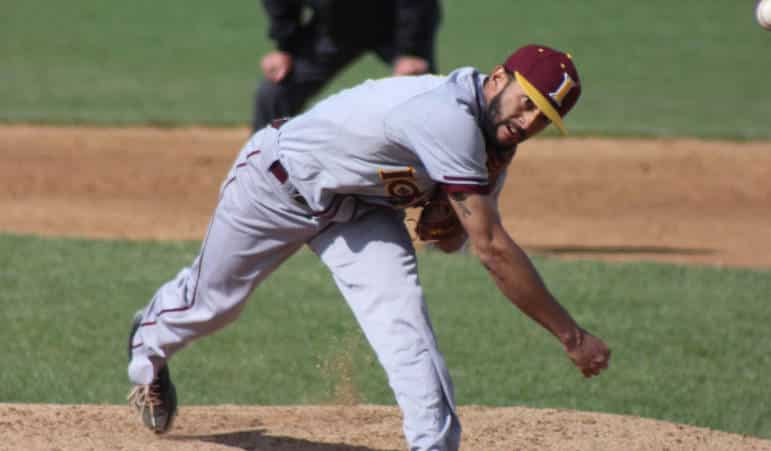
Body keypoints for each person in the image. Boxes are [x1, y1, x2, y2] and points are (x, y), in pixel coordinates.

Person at [126, 44, 611, 450]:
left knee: (404, 320)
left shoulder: (493, 144)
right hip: (276, 185)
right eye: (526, 103)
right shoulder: (447, 116)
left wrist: (447, 219)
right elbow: (492, 251)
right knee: (214, 305)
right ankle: (149, 350)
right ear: (500, 78)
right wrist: (572, 336)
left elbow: (453, 240)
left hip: (360, 212)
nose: (527, 122)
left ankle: (432, 445)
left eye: (543, 118)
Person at [251, 0, 441, 133]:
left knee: (422, 90)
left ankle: (442, 169)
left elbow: (417, 3)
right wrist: (285, 47)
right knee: (276, 90)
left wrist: (412, 51)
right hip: (334, 26)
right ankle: (264, 166)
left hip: (396, 25)